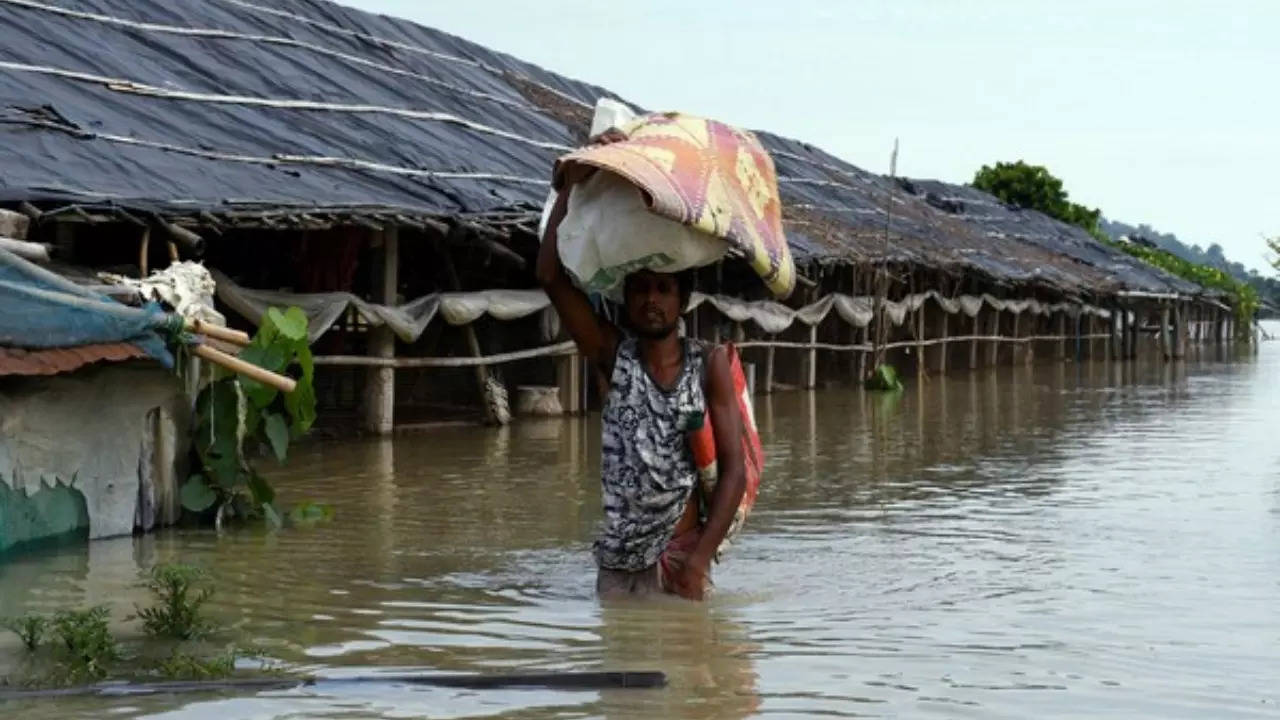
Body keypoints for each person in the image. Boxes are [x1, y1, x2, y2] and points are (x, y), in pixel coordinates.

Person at [537, 167, 747, 602]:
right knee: (619, 663)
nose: (652, 299)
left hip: (678, 559)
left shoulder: (708, 366)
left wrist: (698, 560)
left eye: (663, 289)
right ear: (626, 299)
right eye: (641, 290)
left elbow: (734, 473)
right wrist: (569, 187)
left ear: (681, 300)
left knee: (679, 668)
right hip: (617, 563)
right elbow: (551, 278)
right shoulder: (613, 356)